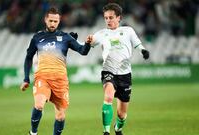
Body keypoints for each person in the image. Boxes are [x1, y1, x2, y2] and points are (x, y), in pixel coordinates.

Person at [20, 7, 92, 135]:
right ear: (45, 20)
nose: (53, 23)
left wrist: (87, 44)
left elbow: (83, 51)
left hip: (60, 81)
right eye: (50, 21)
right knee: (39, 104)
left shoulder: (65, 37)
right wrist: (26, 78)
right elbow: (28, 57)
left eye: (55, 21)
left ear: (59, 22)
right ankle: (33, 133)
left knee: (60, 116)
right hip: (43, 77)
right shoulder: (37, 37)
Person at [89, 3, 150, 135]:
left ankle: (118, 128)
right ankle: (106, 131)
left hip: (125, 74)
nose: (108, 20)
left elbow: (137, 44)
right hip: (109, 70)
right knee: (109, 96)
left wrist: (143, 51)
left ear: (118, 18)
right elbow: (87, 44)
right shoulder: (101, 34)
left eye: (111, 17)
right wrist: (85, 41)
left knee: (121, 114)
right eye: (106, 18)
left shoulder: (128, 31)